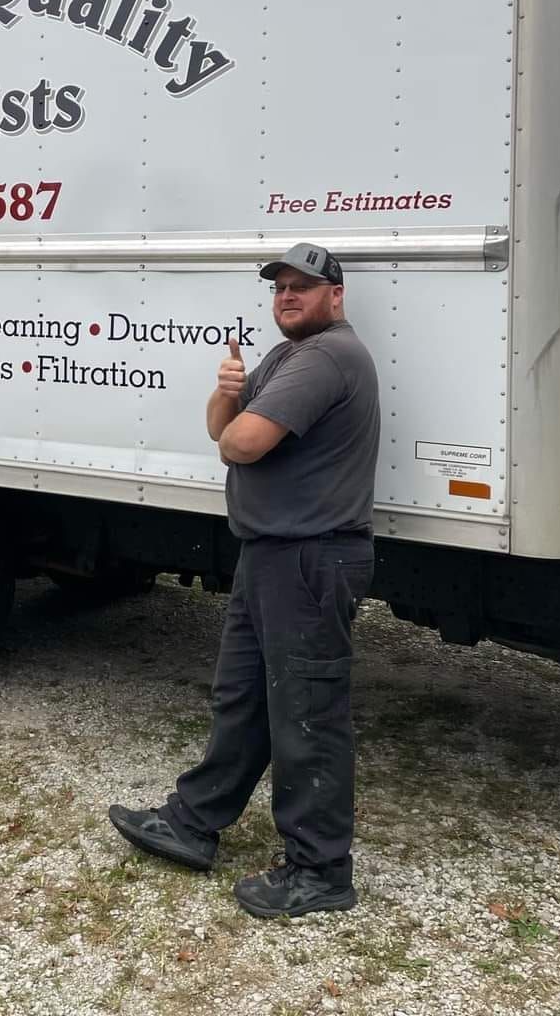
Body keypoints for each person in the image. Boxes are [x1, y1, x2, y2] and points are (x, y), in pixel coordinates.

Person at [109, 242, 380, 918]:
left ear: (335, 296)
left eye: (303, 286)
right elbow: (220, 428)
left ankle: (321, 872)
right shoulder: (287, 355)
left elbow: (244, 444)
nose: (287, 296)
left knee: (307, 715)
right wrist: (226, 392)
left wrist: (237, 422)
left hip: (310, 559)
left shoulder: (326, 357)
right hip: (272, 555)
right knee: (244, 699)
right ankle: (193, 821)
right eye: (280, 286)